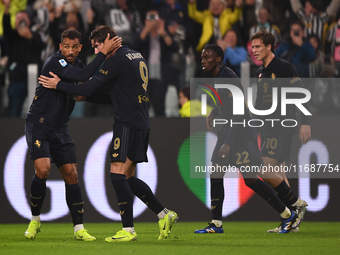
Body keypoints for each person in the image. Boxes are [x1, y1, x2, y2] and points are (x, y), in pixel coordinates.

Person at [38, 25, 178, 242]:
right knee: (129, 177)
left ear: (110, 41)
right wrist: (85, 94)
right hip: (142, 121)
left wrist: (59, 85)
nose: (96, 51)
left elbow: (87, 87)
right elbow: (111, 92)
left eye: (98, 45)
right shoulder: (135, 55)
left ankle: (128, 230)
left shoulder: (115, 60)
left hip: (127, 123)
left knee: (116, 174)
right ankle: (164, 214)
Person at [24, 29, 121, 240]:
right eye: (66, 46)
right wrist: (103, 52)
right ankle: (35, 220)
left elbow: (88, 89)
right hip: (39, 124)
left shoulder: (77, 65)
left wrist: (117, 97)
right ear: (60, 47)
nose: (70, 50)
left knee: (72, 174)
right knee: (43, 169)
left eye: (74, 47)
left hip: (60, 127)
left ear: (79, 48)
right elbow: (84, 78)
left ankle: (79, 229)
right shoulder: (54, 62)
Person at [194, 44, 300, 234]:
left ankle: (288, 214)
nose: (203, 61)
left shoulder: (227, 78)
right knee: (217, 174)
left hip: (241, 133)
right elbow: (229, 105)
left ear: (219, 59)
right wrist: (214, 111)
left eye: (208, 57)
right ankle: (216, 224)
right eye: (202, 57)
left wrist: (228, 143)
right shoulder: (220, 77)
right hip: (231, 129)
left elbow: (240, 112)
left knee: (251, 179)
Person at [251, 30, 311, 233]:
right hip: (267, 128)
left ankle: (296, 204)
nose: (254, 50)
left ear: (269, 46)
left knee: (261, 169)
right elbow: (260, 104)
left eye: (258, 46)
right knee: (280, 173)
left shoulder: (285, 68)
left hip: (282, 126)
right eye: (252, 47)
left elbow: (302, 94)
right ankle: (290, 221)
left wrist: (305, 122)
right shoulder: (260, 73)